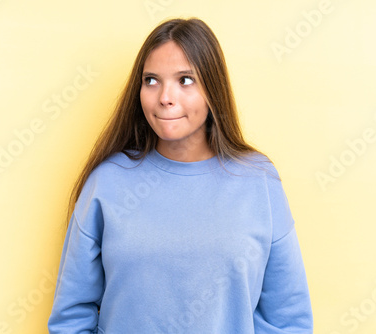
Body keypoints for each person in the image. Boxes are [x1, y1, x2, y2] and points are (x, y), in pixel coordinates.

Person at [48, 17, 313, 334]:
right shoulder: (107, 182)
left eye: (185, 80)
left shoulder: (259, 182)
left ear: (212, 90)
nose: (164, 97)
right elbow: (71, 317)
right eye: (151, 80)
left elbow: (288, 319)